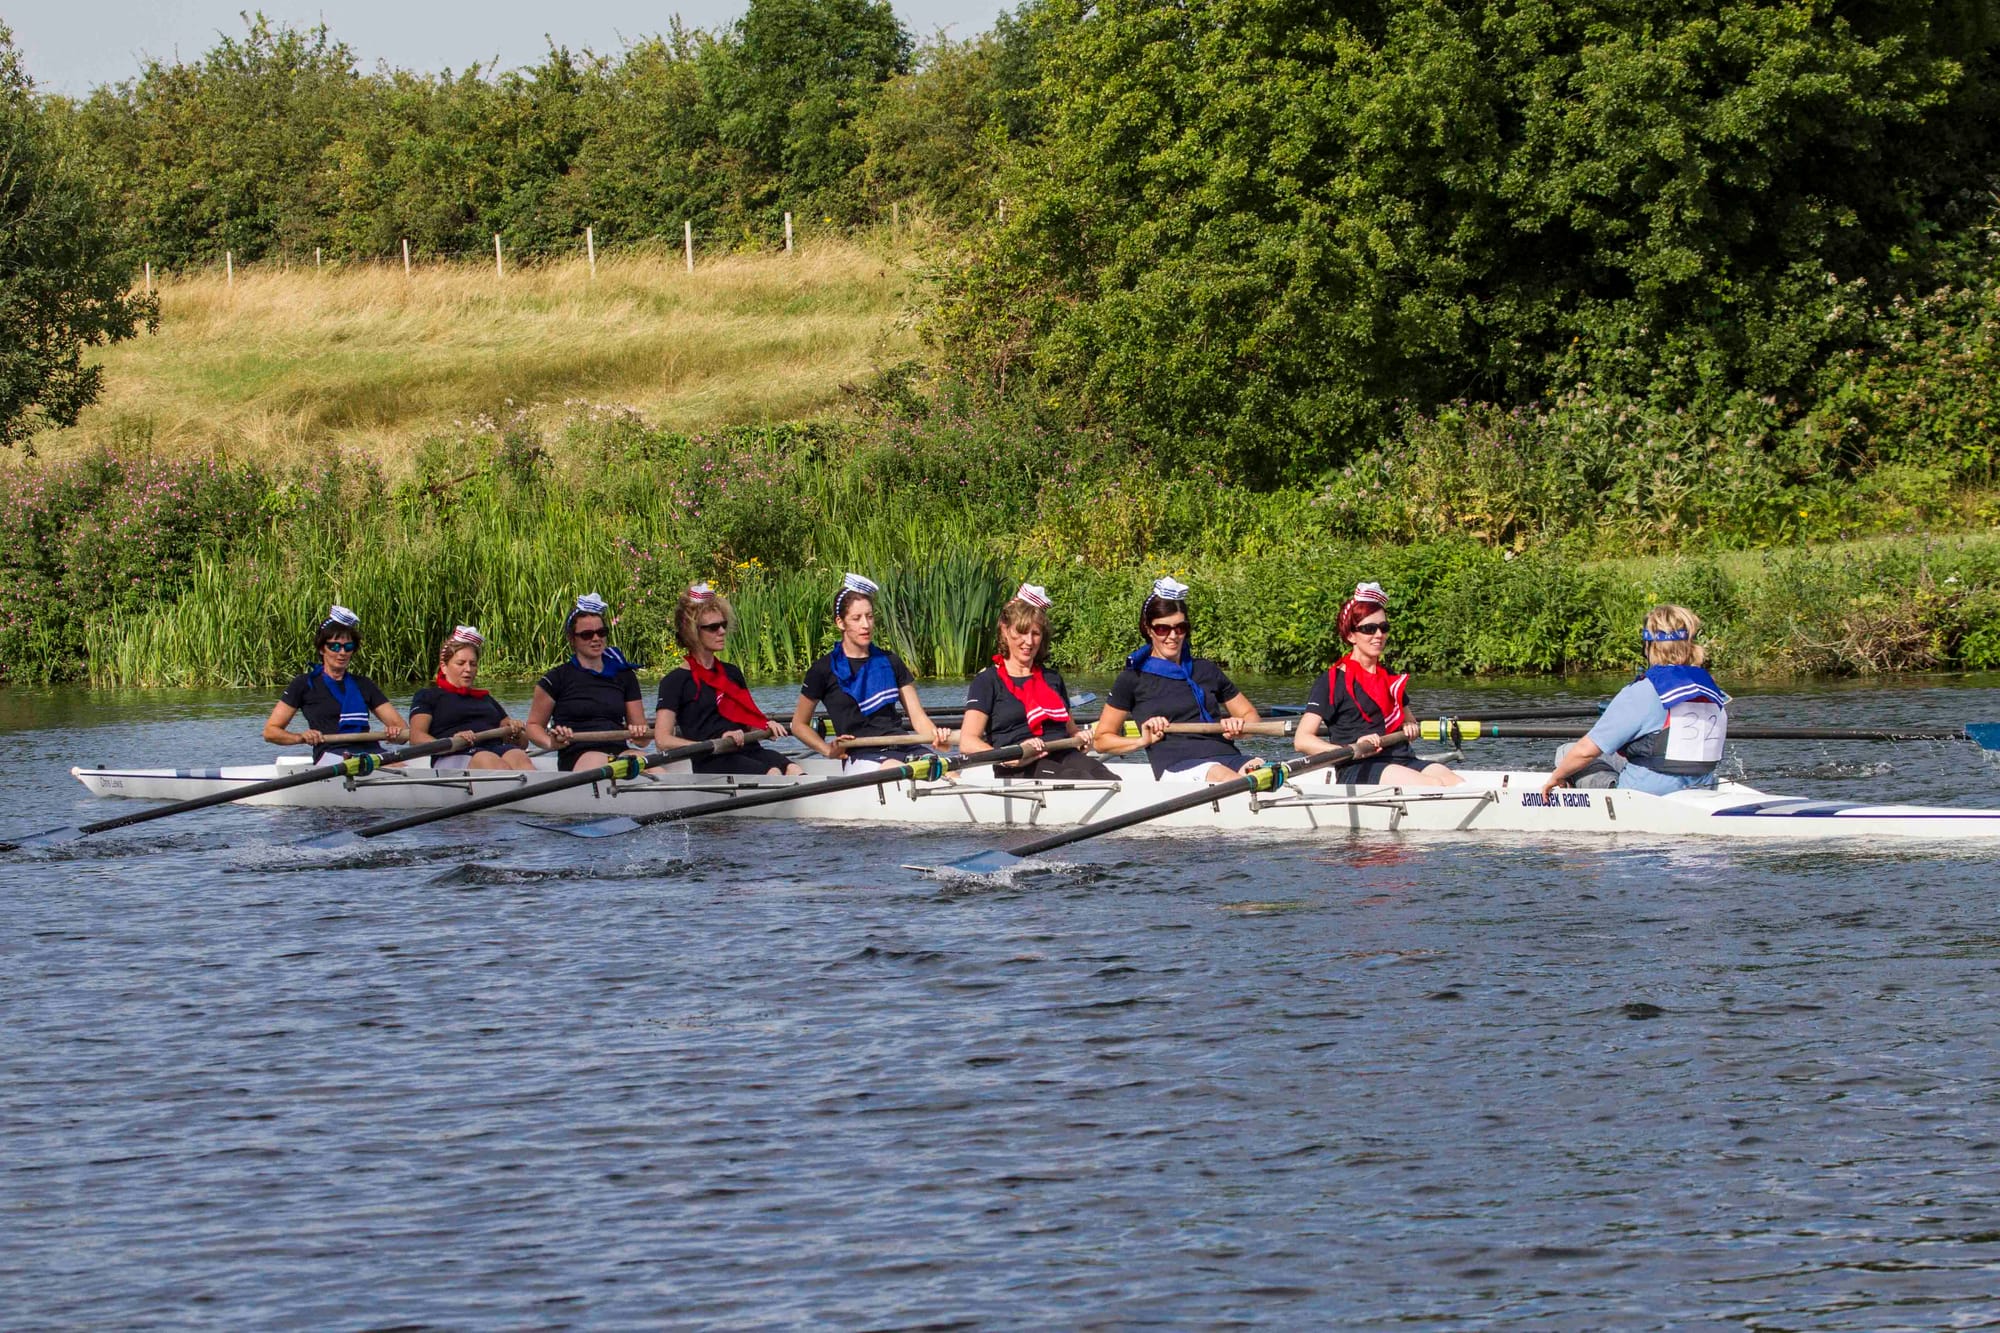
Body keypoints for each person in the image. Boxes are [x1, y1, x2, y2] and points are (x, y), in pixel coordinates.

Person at [1543, 604, 1729, 796]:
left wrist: (1556, 777)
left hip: (1644, 794)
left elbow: (1585, 752)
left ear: (1648, 646)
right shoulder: (1712, 689)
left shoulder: (1644, 691)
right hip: (1702, 786)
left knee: (1568, 752)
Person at [1092, 577, 1264, 782]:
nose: (1173, 636)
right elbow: (1101, 740)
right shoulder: (1132, 678)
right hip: (1176, 765)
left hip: (1226, 755)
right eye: (1163, 629)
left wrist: (1240, 728)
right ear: (1148, 628)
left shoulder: (1206, 670)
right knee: (1224, 775)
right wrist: (1142, 740)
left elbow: (1251, 716)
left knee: (1264, 770)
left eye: (1180, 628)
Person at [1295, 582, 1462, 788]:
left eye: (1383, 628)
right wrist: (1350, 748)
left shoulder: (1389, 676)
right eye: (1368, 629)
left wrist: (1410, 728)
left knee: (1456, 783)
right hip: (1359, 766)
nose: (1378, 635)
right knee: (1432, 785)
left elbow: (1409, 722)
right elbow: (1302, 740)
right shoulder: (1331, 681)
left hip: (1402, 758)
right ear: (1350, 635)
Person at [788, 573, 951, 767]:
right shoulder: (823, 670)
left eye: (870, 616)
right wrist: (828, 750)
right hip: (859, 754)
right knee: (896, 768)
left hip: (902, 746)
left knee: (948, 771)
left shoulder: (891, 661)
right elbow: (798, 725)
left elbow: (918, 718)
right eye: (856, 618)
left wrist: (937, 736)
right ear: (840, 622)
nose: (866, 625)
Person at [959, 583, 1115, 781]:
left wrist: (1080, 738)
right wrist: (1006, 758)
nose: (1029, 642)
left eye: (1035, 633)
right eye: (1021, 632)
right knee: (1074, 777)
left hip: (1062, 753)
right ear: (1005, 631)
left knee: (1104, 775)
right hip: (1019, 766)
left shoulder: (1052, 678)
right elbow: (967, 742)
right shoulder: (987, 681)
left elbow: (1071, 730)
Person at [653, 582, 802, 776]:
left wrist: (764, 725)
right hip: (712, 759)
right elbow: (662, 740)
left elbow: (747, 718)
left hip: (747, 749)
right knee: (771, 771)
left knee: (792, 768)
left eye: (723, 625)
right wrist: (708, 745)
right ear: (692, 632)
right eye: (713, 627)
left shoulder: (732, 673)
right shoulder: (674, 682)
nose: (722, 632)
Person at [262, 605, 407, 763]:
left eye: (348, 647)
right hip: (330, 753)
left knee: (400, 766)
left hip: (369, 750)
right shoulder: (304, 684)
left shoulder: (364, 684)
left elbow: (403, 730)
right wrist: (300, 737)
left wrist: (395, 734)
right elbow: (271, 732)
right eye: (335, 646)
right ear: (322, 649)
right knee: (357, 766)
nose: (342, 652)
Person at [523, 592, 651, 772]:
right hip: (578, 753)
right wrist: (551, 743)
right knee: (605, 763)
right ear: (572, 639)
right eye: (587, 635)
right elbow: (533, 726)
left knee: (655, 768)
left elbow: (643, 740)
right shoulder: (555, 679)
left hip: (620, 751)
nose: (596, 639)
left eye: (601, 632)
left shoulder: (624, 675)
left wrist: (639, 734)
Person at [408, 625, 532, 771]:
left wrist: (516, 732)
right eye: (461, 663)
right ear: (444, 666)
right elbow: (416, 737)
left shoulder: (485, 699)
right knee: (488, 760)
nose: (468, 669)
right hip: (453, 755)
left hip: (493, 750)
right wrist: (450, 742)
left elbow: (523, 744)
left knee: (518, 756)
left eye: (473, 664)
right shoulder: (428, 696)